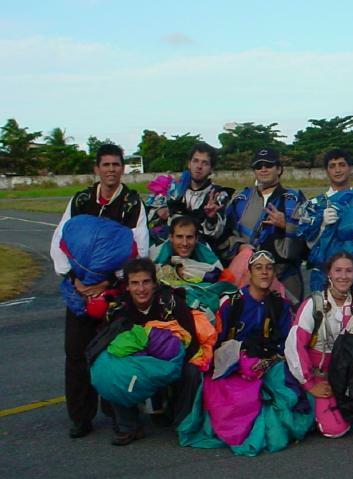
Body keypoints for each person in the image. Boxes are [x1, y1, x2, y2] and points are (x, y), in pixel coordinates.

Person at [50, 143, 149, 439]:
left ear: (123, 168)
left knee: (115, 352)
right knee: (76, 353)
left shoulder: (132, 204)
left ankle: (120, 417)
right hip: (79, 291)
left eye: (116, 165)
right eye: (105, 165)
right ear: (97, 168)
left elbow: (139, 249)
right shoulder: (80, 200)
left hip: (114, 291)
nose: (111, 170)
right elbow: (60, 240)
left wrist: (107, 282)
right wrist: (75, 280)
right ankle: (80, 417)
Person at [198, 250, 311, 454]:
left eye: (269, 268)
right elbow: (217, 342)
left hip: (270, 363)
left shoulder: (280, 305)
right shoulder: (232, 303)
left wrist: (270, 359)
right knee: (239, 399)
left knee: (289, 393)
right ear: (249, 273)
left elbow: (287, 342)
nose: (264, 272)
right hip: (234, 367)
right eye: (258, 268)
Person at [284, 252, 353, 438]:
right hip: (321, 374)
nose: (343, 276)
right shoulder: (313, 304)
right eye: (338, 270)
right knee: (335, 430)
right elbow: (294, 345)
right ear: (329, 273)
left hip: (350, 372)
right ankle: (322, 405)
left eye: (348, 271)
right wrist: (309, 385)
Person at [104, 258, 202, 445]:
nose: (141, 289)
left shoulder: (171, 303)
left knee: (192, 371)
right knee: (110, 370)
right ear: (127, 286)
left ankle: (183, 422)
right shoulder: (118, 310)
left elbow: (192, 344)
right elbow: (107, 349)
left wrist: (166, 364)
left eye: (146, 282)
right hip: (135, 366)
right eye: (135, 283)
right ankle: (128, 426)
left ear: (155, 284)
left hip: (170, 363)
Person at [297, 148, 353, 292]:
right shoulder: (316, 205)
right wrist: (322, 226)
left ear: (350, 168)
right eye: (332, 166)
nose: (337, 170)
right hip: (326, 279)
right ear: (327, 171)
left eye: (341, 165)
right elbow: (308, 246)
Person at [225, 148, 306, 302]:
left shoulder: (294, 199)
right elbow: (226, 234)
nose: (263, 169)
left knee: (288, 315)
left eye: (268, 165)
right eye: (258, 166)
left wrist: (286, 225)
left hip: (285, 275)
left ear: (279, 169)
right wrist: (240, 246)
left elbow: (309, 236)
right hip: (247, 275)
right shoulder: (241, 200)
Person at [167, 142, 233, 260]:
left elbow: (217, 234)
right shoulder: (175, 191)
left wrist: (211, 218)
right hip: (174, 252)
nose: (199, 166)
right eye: (195, 161)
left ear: (211, 168)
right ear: (189, 164)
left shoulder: (218, 195)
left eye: (205, 163)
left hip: (205, 256)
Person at [151, 215, 223, 284]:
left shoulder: (205, 252)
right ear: (171, 237)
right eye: (179, 237)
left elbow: (222, 277)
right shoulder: (156, 255)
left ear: (196, 239)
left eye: (189, 237)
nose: (184, 243)